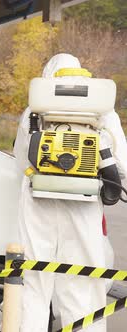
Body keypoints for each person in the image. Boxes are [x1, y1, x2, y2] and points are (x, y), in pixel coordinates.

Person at [14, 53, 127, 332]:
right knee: (84, 287)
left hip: (38, 204)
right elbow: (121, 166)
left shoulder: (34, 110)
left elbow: (21, 160)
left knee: (34, 286)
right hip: (83, 208)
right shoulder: (103, 110)